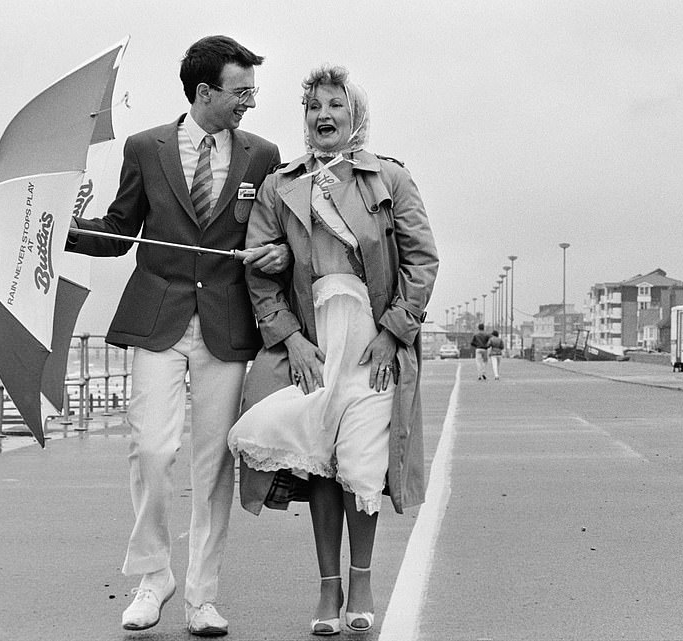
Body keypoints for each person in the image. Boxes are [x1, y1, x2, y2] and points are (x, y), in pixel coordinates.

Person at [65, 35, 286, 636]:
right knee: (153, 448)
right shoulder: (145, 148)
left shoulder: (263, 155)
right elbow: (118, 231)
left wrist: (274, 256)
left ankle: (201, 597)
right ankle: (152, 574)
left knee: (212, 465)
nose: (249, 102)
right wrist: (61, 229)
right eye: (241, 91)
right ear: (205, 90)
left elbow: (280, 234)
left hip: (227, 323)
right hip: (157, 318)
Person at [227, 65, 438, 635]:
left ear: (355, 117)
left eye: (335, 106)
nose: (322, 115)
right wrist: (291, 340)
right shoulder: (280, 184)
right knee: (320, 457)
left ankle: (363, 580)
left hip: (374, 344)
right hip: (314, 344)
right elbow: (260, 272)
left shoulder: (390, 179)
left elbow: (422, 262)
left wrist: (395, 332)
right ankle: (328, 588)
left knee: (361, 464)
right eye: (313, 106)